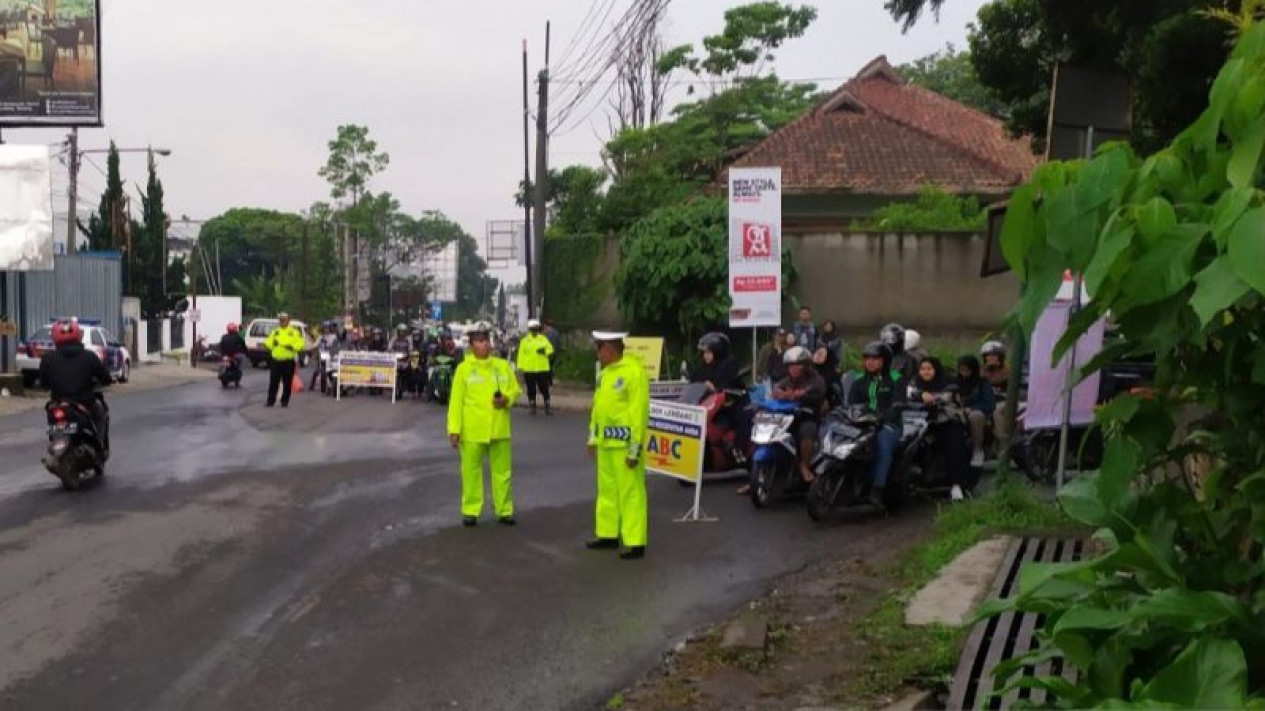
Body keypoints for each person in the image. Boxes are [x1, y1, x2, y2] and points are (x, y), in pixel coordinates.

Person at [448, 322, 522, 527]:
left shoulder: (502, 366)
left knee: (503, 472)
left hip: (499, 428)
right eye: (479, 341)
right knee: (471, 472)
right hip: (472, 430)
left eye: (486, 340)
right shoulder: (464, 370)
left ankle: (504, 510)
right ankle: (471, 510)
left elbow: (515, 390)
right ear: (471, 345)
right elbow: (456, 402)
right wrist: (454, 429)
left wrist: (506, 399)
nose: (484, 345)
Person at [586, 330, 650, 560]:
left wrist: (635, 448)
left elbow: (638, 413)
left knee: (631, 493)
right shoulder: (604, 374)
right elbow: (598, 409)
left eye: (599, 348)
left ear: (610, 348)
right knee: (607, 492)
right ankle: (607, 534)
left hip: (624, 446)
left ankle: (635, 542)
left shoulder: (634, 373)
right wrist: (592, 438)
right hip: (605, 444)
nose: (597, 353)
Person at [38, 319, 112, 454]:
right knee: (101, 411)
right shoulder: (89, 356)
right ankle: (100, 445)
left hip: (57, 403)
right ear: (78, 335)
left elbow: (43, 383)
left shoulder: (47, 359)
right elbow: (105, 378)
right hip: (84, 403)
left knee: (51, 416)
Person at [848, 341, 906, 507]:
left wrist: (883, 417)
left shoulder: (895, 378)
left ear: (885, 360)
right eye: (867, 358)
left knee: (883, 445)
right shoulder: (859, 380)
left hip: (889, 425)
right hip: (861, 424)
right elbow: (851, 404)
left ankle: (877, 488)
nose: (870, 362)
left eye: (875, 358)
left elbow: (898, 403)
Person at [910, 356, 972, 502]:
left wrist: (930, 397)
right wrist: (920, 394)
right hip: (921, 424)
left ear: (936, 370)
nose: (925, 372)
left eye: (929, 369)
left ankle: (956, 486)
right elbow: (908, 392)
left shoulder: (947, 382)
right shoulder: (915, 382)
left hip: (947, 422)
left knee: (954, 448)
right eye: (923, 369)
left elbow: (947, 396)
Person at [771, 346, 827, 483]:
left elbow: (816, 394)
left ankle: (804, 466)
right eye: (791, 365)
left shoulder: (816, 380)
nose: (794, 368)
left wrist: (794, 395)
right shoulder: (786, 381)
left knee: (807, 431)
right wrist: (781, 394)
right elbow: (775, 390)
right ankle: (756, 474)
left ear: (806, 365)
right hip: (786, 418)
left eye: (798, 365)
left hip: (807, 418)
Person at [957, 355, 997, 467]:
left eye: (967, 370)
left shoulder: (982, 383)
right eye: (961, 370)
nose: (964, 373)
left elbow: (989, 403)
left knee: (975, 416)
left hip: (978, 413)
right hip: (958, 411)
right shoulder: (955, 382)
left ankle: (977, 449)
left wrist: (973, 408)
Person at [264, 312, 305, 408]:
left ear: (288, 321)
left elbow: (300, 344)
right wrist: (272, 343)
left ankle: (284, 401)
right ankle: (270, 401)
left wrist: (292, 347)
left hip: (288, 361)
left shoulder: (294, 332)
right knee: (273, 382)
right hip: (276, 360)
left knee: (287, 382)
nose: (282, 322)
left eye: (284, 320)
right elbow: (268, 343)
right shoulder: (275, 332)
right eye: (280, 320)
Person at [517, 319, 555, 415]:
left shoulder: (543, 339)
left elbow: (551, 349)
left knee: (543, 388)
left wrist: (544, 352)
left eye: (536, 329)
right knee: (531, 389)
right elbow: (521, 355)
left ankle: (547, 405)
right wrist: (520, 368)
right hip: (529, 369)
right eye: (532, 329)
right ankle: (532, 406)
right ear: (530, 330)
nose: (534, 331)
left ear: (538, 329)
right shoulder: (525, 341)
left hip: (542, 368)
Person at [981, 341, 1012, 441]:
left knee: (997, 411)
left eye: (994, 355)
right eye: (987, 355)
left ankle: (1003, 442)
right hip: (986, 401)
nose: (990, 358)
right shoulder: (981, 371)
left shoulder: (1008, 370)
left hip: (1004, 401)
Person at [310, 321, 341, 394]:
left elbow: (337, 346)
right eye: (325, 328)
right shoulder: (321, 337)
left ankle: (333, 384)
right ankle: (312, 386)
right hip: (322, 355)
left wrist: (334, 350)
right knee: (317, 370)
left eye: (328, 328)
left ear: (330, 328)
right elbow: (315, 344)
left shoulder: (334, 336)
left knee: (334, 370)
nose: (326, 329)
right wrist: (312, 347)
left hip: (331, 356)